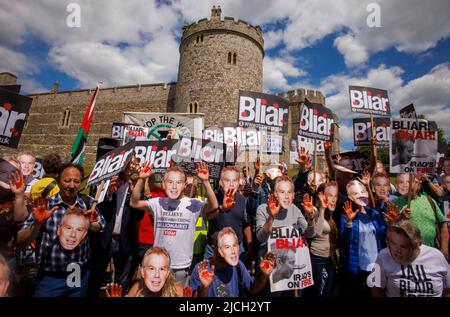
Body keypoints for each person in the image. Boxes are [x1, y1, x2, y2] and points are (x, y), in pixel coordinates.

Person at [17, 163, 106, 297]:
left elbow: (101, 225)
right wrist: (37, 224)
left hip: (76, 274)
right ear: (58, 182)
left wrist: (90, 223)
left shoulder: (87, 203)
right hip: (49, 277)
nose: (71, 185)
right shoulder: (46, 205)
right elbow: (20, 240)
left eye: (76, 181)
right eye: (67, 180)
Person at [130, 163, 219, 285]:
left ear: (184, 185)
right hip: (159, 265)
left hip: (181, 266)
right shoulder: (157, 202)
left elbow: (214, 205)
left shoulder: (192, 203)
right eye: (170, 182)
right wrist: (141, 179)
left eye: (178, 182)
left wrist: (205, 181)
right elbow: (134, 203)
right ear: (163, 184)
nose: (174, 186)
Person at [256, 176, 316, 296]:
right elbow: (261, 237)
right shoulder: (263, 209)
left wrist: (310, 217)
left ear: (294, 195)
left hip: (290, 274)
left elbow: (310, 234)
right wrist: (271, 217)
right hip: (270, 271)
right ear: (275, 194)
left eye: (289, 192)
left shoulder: (295, 210)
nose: (287, 196)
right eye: (282, 192)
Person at [372, 220, 450, 297]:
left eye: (403, 246)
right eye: (394, 244)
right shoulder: (383, 255)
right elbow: (375, 290)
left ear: (417, 245)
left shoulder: (436, 256)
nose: (397, 251)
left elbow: (448, 290)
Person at [190, 227, 275, 297]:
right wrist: (204, 288)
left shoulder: (238, 266)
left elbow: (252, 289)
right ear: (214, 249)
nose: (232, 251)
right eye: (227, 247)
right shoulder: (201, 270)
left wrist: (264, 275)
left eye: (234, 245)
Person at [340, 180, 387, 297]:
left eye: (362, 191)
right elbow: (344, 241)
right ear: (350, 197)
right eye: (355, 193)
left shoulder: (375, 214)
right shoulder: (346, 217)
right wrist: (349, 222)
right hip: (358, 267)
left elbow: (383, 236)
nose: (360, 195)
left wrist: (391, 224)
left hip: (376, 265)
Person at [204, 166, 253, 265]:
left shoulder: (243, 200)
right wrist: (221, 209)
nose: (231, 184)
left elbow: (246, 225)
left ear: (239, 182)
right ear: (221, 182)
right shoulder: (213, 198)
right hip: (214, 248)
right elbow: (206, 216)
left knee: (237, 277)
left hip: (236, 247)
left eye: (234, 180)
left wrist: (250, 247)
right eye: (227, 180)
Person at [392, 176, 449, 260]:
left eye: (409, 182)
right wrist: (401, 217)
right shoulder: (394, 203)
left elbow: (443, 225)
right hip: (407, 255)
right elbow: (390, 227)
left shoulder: (430, 200)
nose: (406, 185)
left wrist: (444, 249)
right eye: (402, 182)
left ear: (418, 185)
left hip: (431, 254)